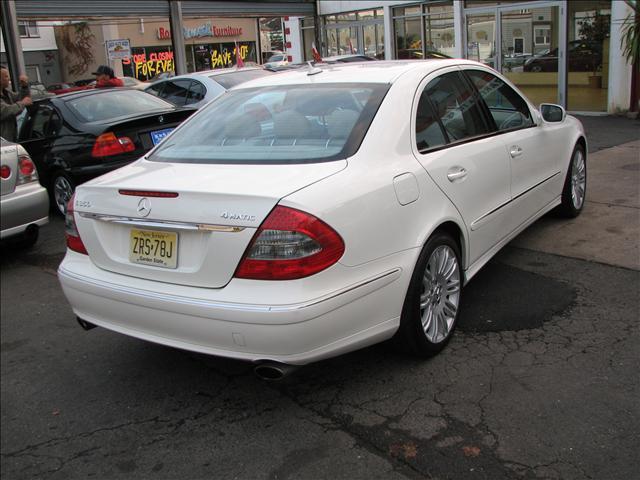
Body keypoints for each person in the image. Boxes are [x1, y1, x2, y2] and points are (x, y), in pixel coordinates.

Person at [0, 67, 32, 142]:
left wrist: (24, 87)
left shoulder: (7, 92)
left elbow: (20, 98)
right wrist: (23, 103)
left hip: (10, 139)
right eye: (6, 76)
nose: (9, 79)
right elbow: (6, 111)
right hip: (2, 143)